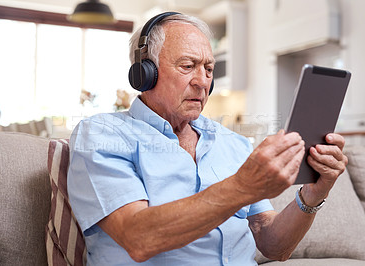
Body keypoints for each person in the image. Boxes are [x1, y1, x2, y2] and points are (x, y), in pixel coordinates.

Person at [68, 12, 348, 265]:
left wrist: (313, 195)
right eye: (188, 66)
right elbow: (139, 239)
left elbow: (273, 245)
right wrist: (243, 186)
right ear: (145, 73)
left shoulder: (232, 143)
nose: (203, 82)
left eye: (209, 69)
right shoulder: (102, 135)